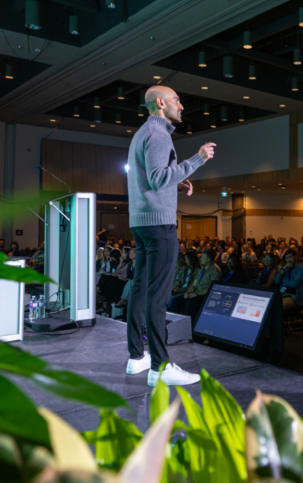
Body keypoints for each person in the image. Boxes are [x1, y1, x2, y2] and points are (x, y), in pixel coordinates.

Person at [125, 85, 216, 387]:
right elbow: (158, 177)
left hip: (141, 222)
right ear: (161, 103)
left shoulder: (142, 133)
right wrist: (197, 160)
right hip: (159, 225)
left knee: (140, 290)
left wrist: (176, 184)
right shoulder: (159, 134)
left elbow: (151, 178)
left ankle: (137, 357)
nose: (181, 106)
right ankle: (161, 367)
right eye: (177, 100)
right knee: (158, 295)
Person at [277, 248, 303, 323]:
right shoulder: (287, 269)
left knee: (278, 306)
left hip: (295, 295)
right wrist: (284, 268)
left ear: (295, 257)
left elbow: (294, 284)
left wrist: (284, 281)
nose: (289, 260)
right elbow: (277, 281)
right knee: (271, 304)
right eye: (287, 258)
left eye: (290, 257)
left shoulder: (301, 269)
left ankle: (279, 329)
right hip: (284, 292)